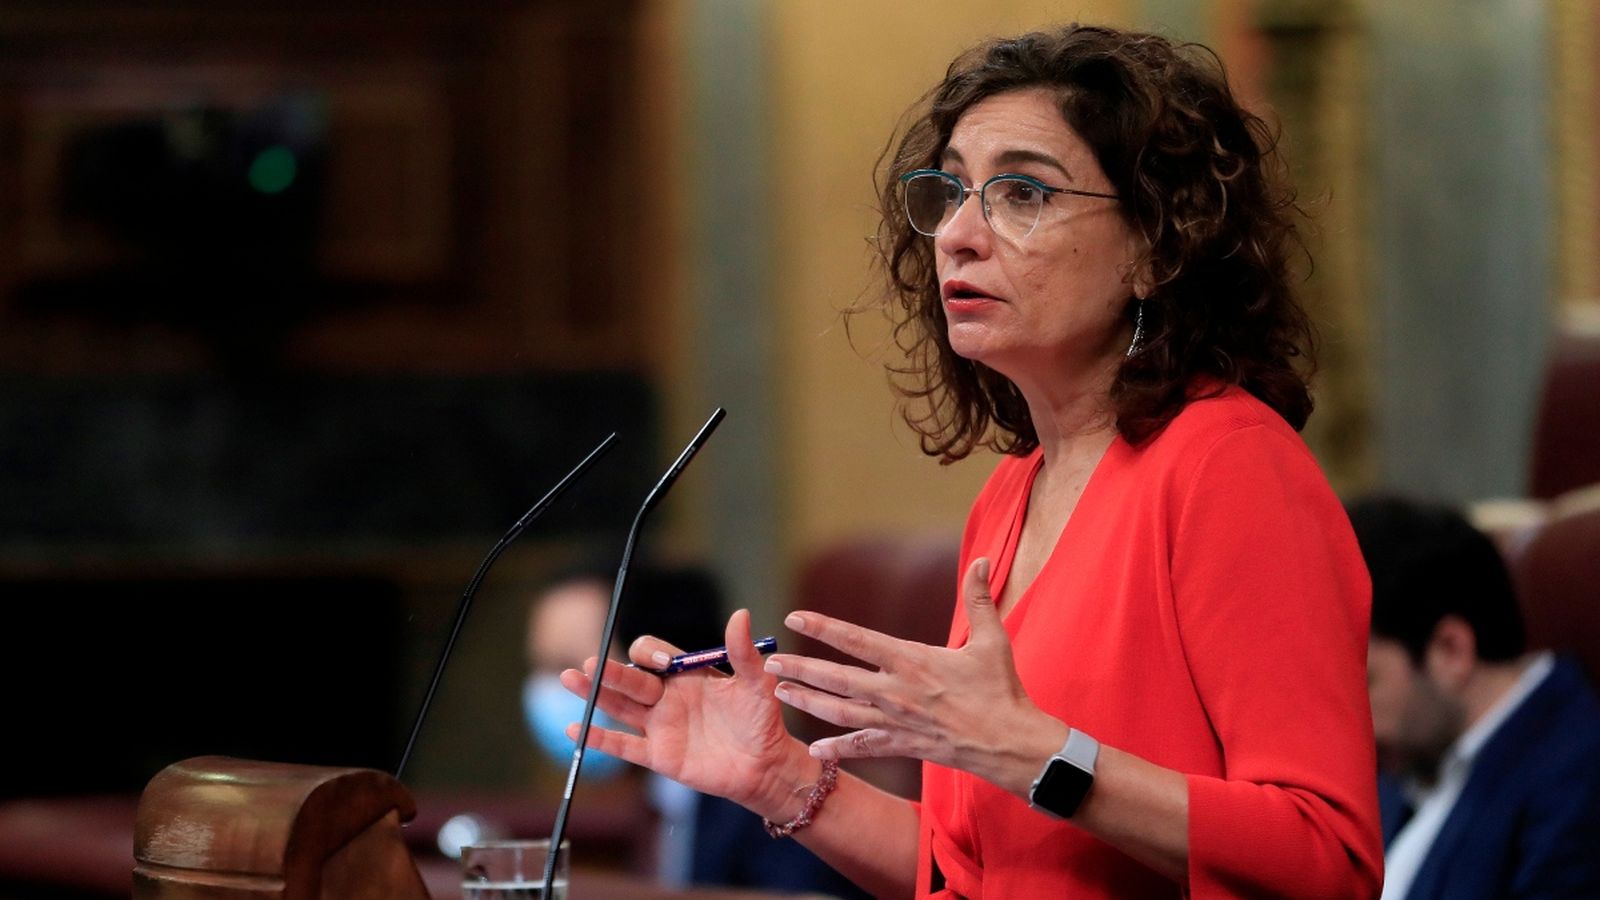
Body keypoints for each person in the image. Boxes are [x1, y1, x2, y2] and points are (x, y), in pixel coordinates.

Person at [562, 23, 1382, 898]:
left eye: (1022, 193)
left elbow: (1327, 857)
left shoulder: (1229, 465)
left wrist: (1040, 754)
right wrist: (779, 779)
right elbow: (979, 872)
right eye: (951, 190)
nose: (957, 233)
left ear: (1156, 244)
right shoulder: (1011, 493)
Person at [524, 558, 869, 897]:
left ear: (655, 660)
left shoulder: (768, 800)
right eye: (540, 665)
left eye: (567, 664)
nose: (552, 687)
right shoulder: (649, 793)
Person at [1346, 494, 1600, 900]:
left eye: (1367, 682)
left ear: (1451, 651)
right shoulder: (1412, 757)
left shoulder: (1577, 778)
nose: (1353, 724)